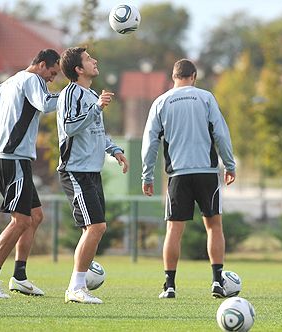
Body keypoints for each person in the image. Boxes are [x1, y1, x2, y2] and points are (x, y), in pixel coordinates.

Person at [141, 59, 236, 299]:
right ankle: (217, 282)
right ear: (193, 76)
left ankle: (170, 285)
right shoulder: (205, 98)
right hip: (206, 172)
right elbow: (221, 133)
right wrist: (230, 164)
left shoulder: (161, 102)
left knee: (174, 229)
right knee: (214, 226)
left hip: (178, 175)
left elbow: (150, 142)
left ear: (174, 77)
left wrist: (147, 175)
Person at [0, 49, 61, 298]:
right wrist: (73, 94)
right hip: (12, 158)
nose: (52, 78)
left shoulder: (8, 83)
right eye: (52, 72)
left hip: (12, 159)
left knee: (35, 216)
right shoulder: (31, 80)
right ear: (40, 65)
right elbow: (45, 104)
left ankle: (19, 277)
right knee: (21, 220)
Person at [57, 47, 128, 304]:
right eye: (88, 59)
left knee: (94, 228)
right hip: (75, 170)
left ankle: (78, 286)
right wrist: (97, 108)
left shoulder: (89, 94)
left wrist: (115, 150)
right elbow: (70, 127)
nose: (94, 61)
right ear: (78, 69)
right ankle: (75, 288)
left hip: (91, 171)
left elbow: (97, 130)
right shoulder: (71, 93)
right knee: (96, 227)